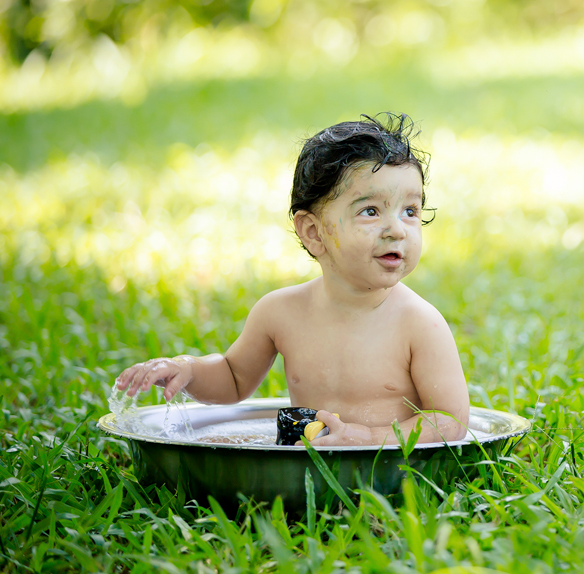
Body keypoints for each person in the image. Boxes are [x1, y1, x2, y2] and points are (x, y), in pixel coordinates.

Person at [115, 113, 470, 445]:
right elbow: (233, 378)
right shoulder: (280, 312)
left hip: (388, 477)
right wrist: (188, 369)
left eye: (410, 210)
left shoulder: (419, 324)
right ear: (313, 233)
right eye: (371, 211)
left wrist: (368, 438)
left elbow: (450, 421)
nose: (397, 229)